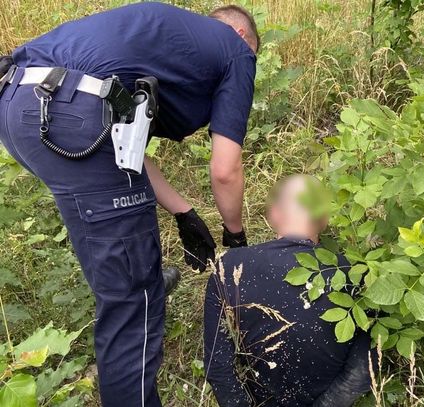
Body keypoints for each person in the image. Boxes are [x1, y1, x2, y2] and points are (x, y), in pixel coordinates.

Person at [0, 3, 258, 406]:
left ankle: (141, 283)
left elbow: (124, 149)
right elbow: (226, 168)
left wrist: (183, 211)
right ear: (242, 36)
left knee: (117, 246)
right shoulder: (237, 50)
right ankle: (138, 295)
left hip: (18, 104)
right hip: (73, 112)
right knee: (130, 297)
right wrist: (235, 235)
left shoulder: (161, 36)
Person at [204, 175, 374, 406]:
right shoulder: (356, 275)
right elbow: (360, 373)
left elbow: (218, 368)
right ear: (324, 218)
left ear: (273, 214)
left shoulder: (229, 267)